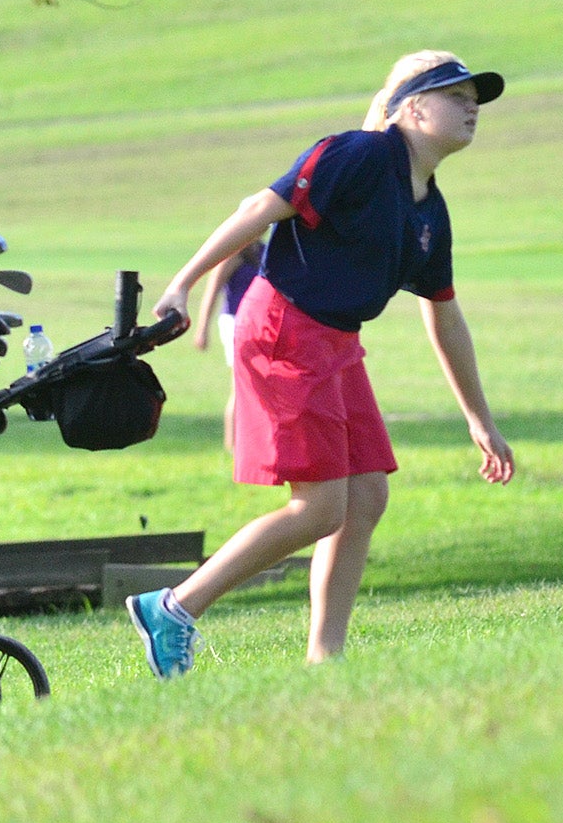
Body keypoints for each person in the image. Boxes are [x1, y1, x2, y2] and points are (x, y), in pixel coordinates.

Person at [128, 52, 515, 677]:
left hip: (336, 341)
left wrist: (479, 419)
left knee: (365, 496)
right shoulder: (358, 155)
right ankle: (173, 606)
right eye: (455, 94)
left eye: (477, 97)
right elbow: (260, 206)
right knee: (321, 508)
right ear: (411, 107)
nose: (472, 106)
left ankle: (324, 661)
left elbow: (444, 314)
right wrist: (183, 284)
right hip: (284, 327)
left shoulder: (428, 210)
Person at [190, 233, 267, 453]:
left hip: (258, 321)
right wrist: (202, 329)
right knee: (241, 383)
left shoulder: (262, 251)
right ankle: (232, 445)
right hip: (235, 322)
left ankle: (253, 442)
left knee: (258, 384)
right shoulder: (232, 254)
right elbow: (211, 292)